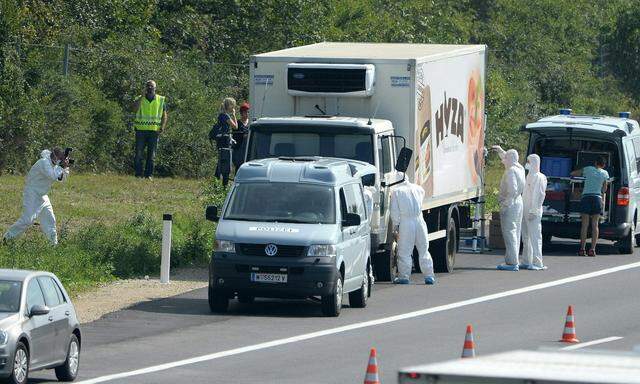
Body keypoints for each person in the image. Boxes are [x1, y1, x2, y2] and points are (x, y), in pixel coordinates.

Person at [3, 149, 70, 245]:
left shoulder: (55, 165)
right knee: (27, 220)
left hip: (43, 196)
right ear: (55, 157)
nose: (61, 161)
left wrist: (65, 167)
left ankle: (53, 245)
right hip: (32, 194)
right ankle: (7, 238)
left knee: (50, 220)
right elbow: (52, 176)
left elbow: (61, 179)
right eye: (60, 158)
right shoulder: (43, 162)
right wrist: (61, 166)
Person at [389, 179, 435, 285]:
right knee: (424, 249)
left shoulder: (397, 191)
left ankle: (404, 276)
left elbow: (394, 211)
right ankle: (429, 276)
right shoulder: (419, 189)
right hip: (420, 220)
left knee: (404, 251)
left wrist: (395, 226)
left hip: (406, 222)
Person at [492, 145, 526, 271]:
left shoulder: (511, 171)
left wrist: (505, 204)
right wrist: (501, 152)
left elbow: (513, 190)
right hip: (518, 203)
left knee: (509, 232)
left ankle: (512, 262)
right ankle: (513, 259)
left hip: (511, 204)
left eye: (505, 157)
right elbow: (510, 157)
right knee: (515, 231)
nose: (504, 159)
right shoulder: (520, 168)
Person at [571, 157, 609, 256]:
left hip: (586, 198)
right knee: (595, 225)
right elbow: (604, 189)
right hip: (597, 198)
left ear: (595, 163)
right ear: (603, 165)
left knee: (584, 225)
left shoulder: (588, 169)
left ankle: (582, 249)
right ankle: (592, 249)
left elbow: (574, 174)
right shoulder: (605, 173)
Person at [132, 80, 168, 179]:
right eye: (148, 86)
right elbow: (134, 110)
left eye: (152, 86)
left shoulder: (160, 100)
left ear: (155, 88)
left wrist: (162, 126)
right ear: (145, 87)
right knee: (139, 154)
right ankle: (138, 175)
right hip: (141, 130)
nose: (150, 88)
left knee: (151, 155)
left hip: (154, 131)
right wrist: (141, 97)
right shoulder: (139, 98)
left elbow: (164, 115)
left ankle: (149, 175)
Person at [520, 154, 548, 270]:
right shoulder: (529, 176)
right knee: (526, 237)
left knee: (535, 237)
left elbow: (539, 195)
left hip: (533, 212)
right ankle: (526, 260)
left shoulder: (540, 177)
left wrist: (534, 210)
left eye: (529, 162)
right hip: (525, 209)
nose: (527, 164)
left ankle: (538, 262)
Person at [213, 97, 238, 187]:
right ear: (229, 105)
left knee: (220, 162)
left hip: (220, 141)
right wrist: (234, 115)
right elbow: (235, 127)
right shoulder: (226, 116)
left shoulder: (221, 115)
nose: (234, 107)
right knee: (226, 163)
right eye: (233, 105)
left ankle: (216, 183)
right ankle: (224, 185)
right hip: (225, 142)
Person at [232, 102, 250, 172]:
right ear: (241, 113)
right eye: (245, 112)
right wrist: (243, 136)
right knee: (239, 167)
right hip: (239, 149)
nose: (247, 113)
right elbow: (235, 135)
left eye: (248, 112)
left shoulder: (251, 122)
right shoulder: (237, 123)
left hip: (248, 148)